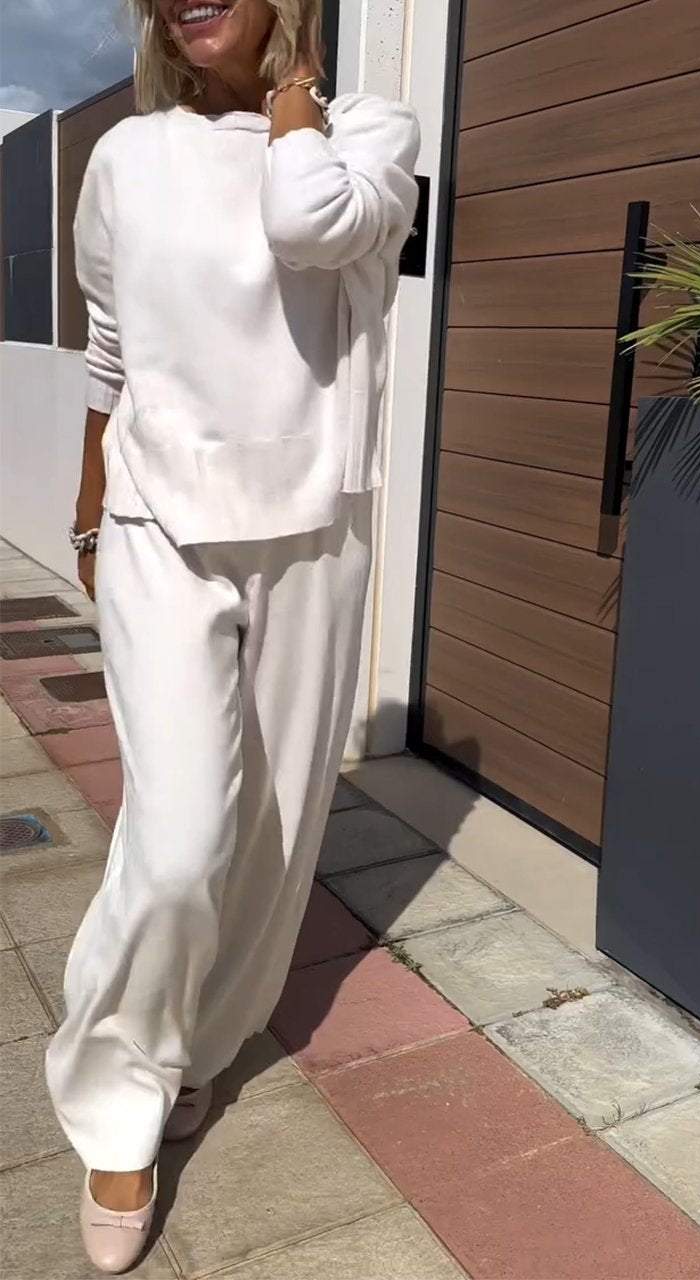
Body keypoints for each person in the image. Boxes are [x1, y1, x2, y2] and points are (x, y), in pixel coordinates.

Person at [43, 0, 420, 1270]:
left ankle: (196, 1044)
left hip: (315, 524)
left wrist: (295, 98)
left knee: (269, 832)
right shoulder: (125, 155)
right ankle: (117, 1100)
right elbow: (110, 347)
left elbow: (309, 224)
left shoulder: (371, 134)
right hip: (159, 521)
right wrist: (89, 506)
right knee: (178, 838)